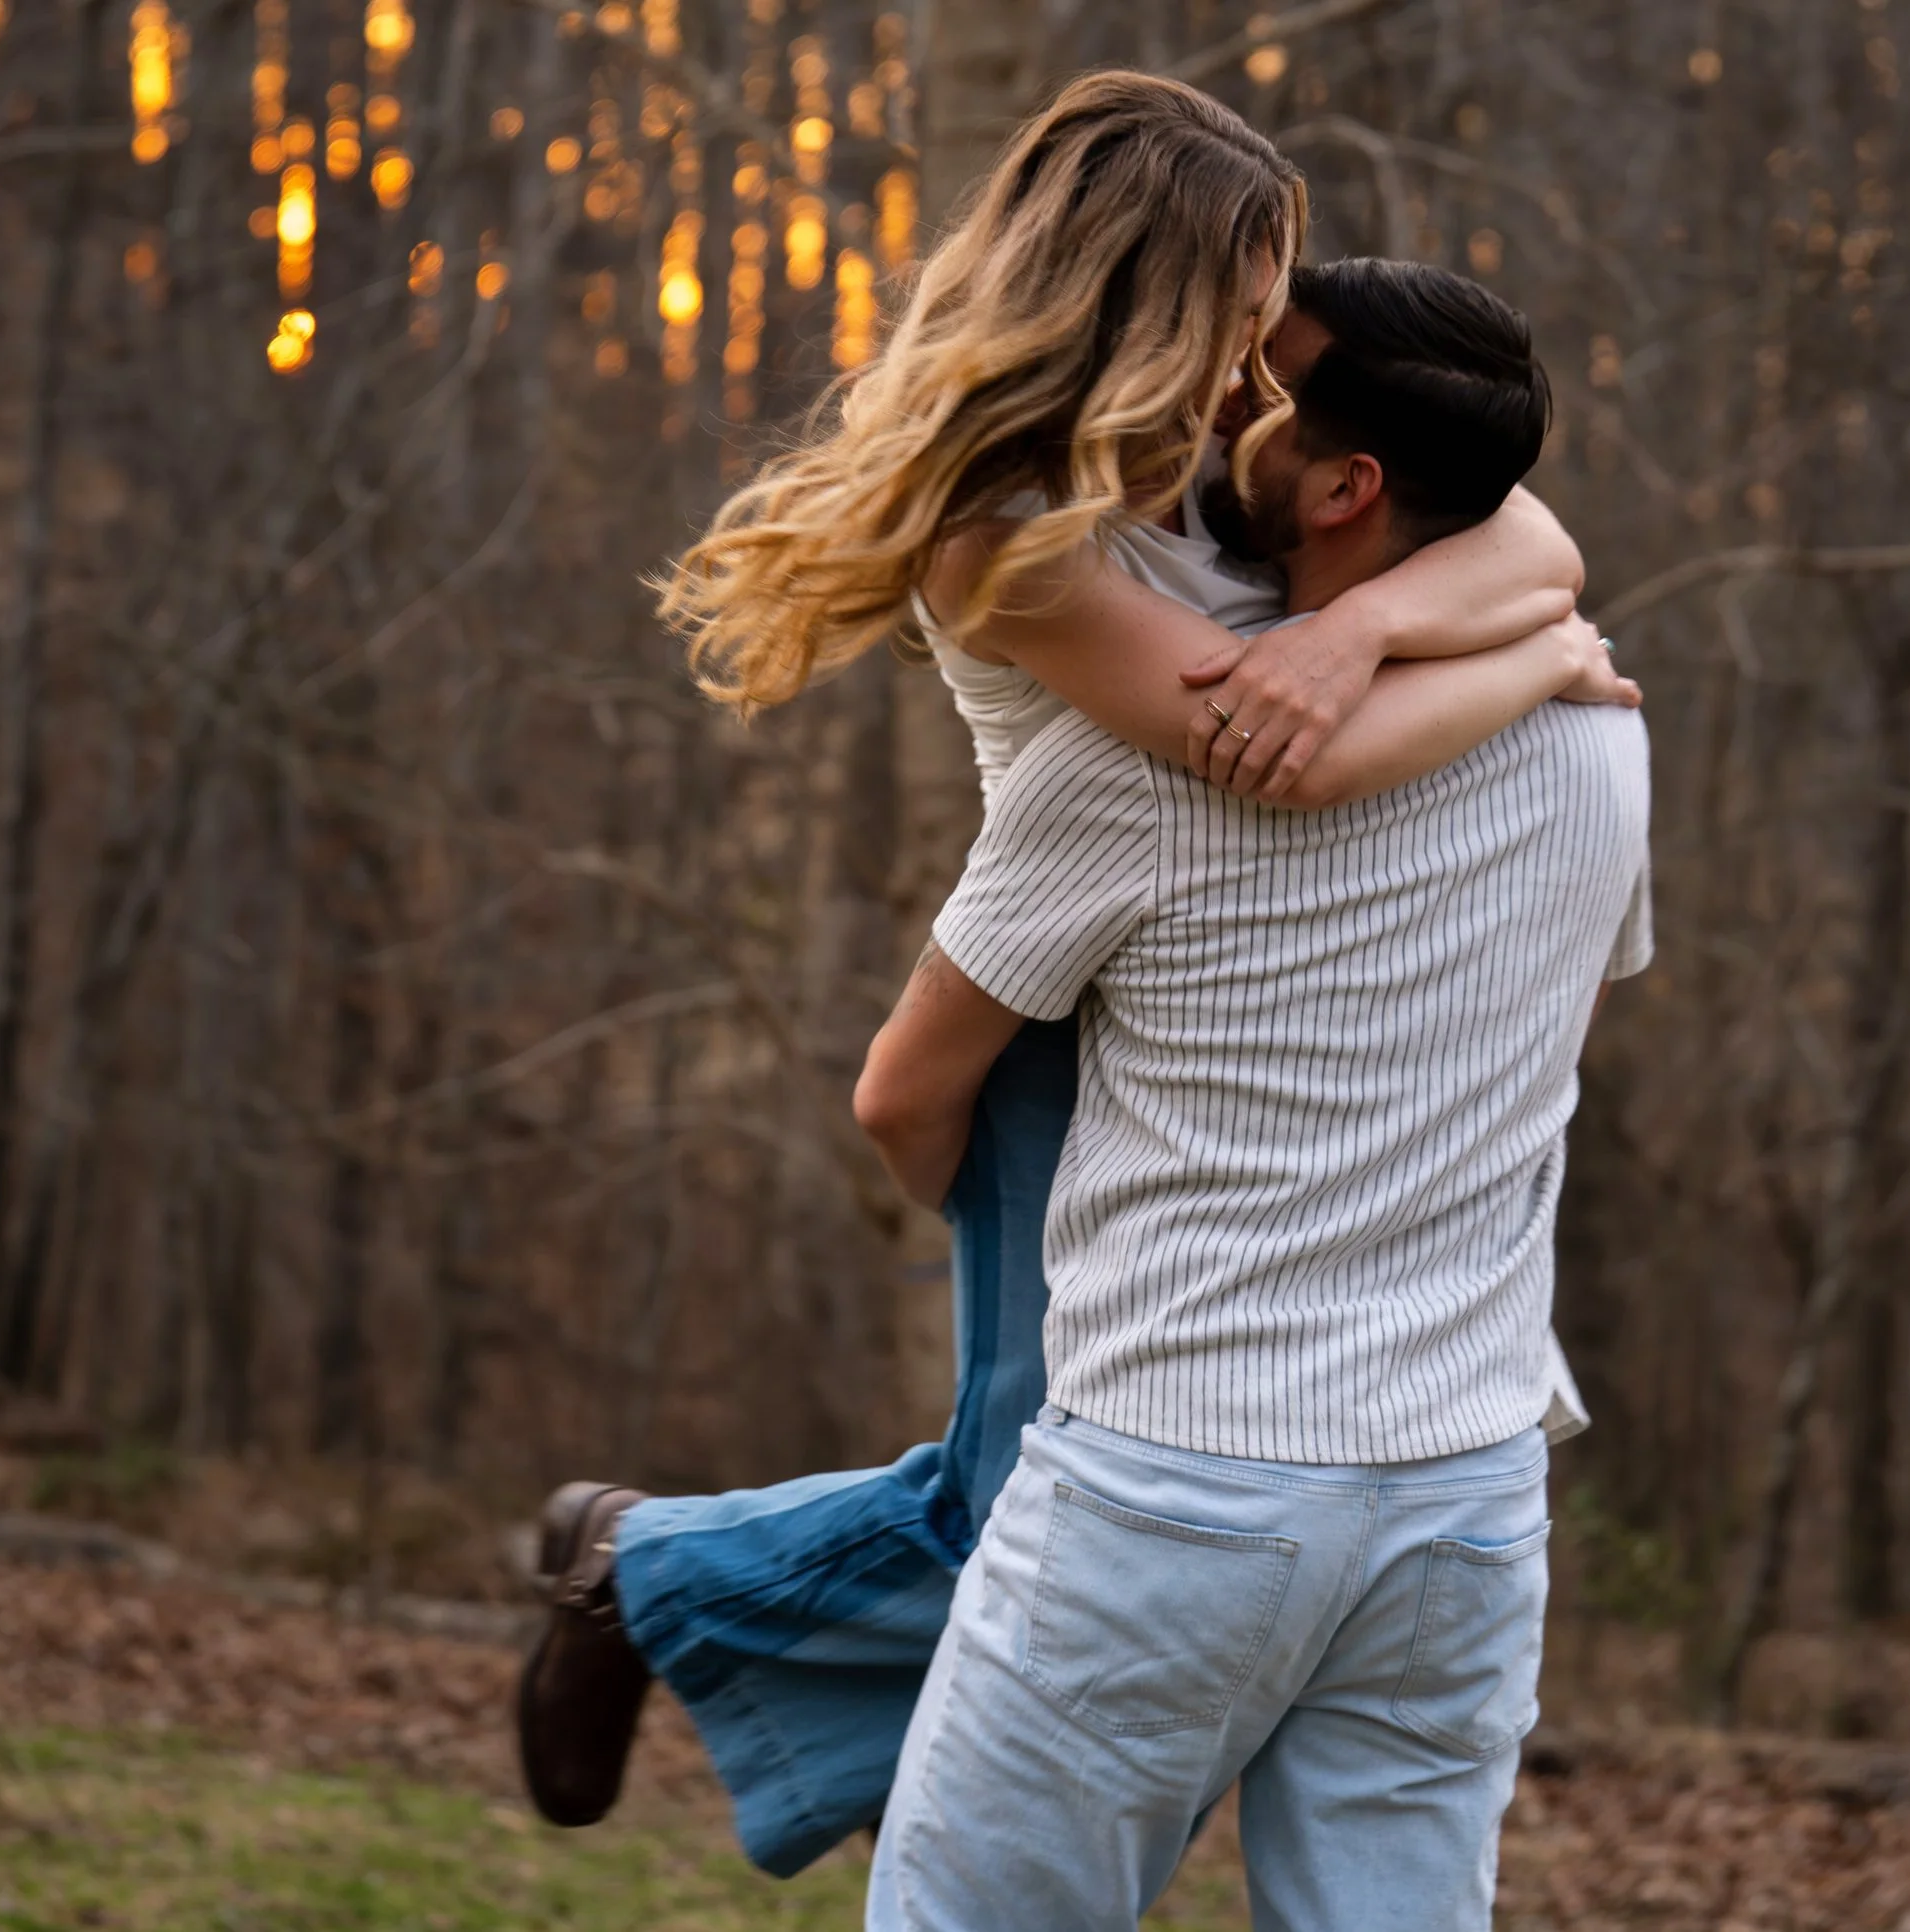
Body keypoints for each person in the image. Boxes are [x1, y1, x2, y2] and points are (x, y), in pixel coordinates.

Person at [513, 72, 1632, 1875]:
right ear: (1147, 301)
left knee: (1038, 1512)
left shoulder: (1207, 453)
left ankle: (713, 1612)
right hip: (1069, 1010)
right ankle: (650, 1578)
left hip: (1199, 973)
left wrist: (1373, 622)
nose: (1261, 377)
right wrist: (1524, 665)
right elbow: (1278, 758)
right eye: (1243, 327)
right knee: (1021, 1498)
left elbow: (1536, 542)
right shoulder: (1006, 533)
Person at [848, 266, 1653, 1930]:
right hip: (1466, 1500)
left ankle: (661, 1577)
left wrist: (1028, 1208)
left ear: (1349, 485)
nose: (1230, 407)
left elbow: (902, 1104)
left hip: (1179, 1477)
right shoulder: (1601, 734)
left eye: (1269, 397)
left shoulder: (1142, 759)